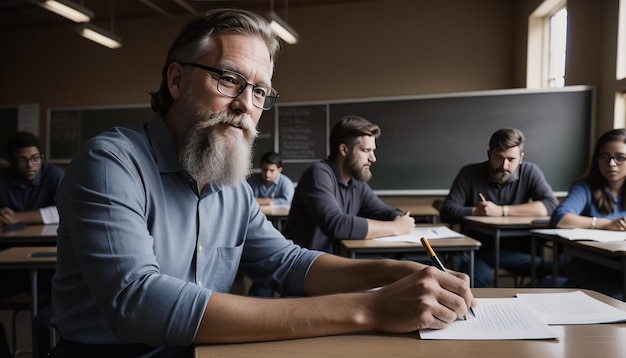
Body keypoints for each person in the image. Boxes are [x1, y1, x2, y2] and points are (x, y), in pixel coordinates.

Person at [49, 9, 474, 358]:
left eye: (259, 92)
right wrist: (369, 308)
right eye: (229, 79)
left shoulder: (231, 184)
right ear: (176, 81)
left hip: (203, 350)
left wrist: (393, 272)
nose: (244, 105)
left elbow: (288, 264)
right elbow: (137, 304)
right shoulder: (111, 161)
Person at [439, 128, 558, 287]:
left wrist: (502, 210)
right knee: (478, 278)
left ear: (521, 158)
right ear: (489, 154)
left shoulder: (530, 172)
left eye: (511, 159)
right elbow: (447, 210)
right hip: (479, 250)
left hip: (520, 251)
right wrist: (476, 211)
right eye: (499, 157)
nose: (504, 165)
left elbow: (550, 205)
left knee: (560, 268)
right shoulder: (470, 173)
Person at [282, 115, 416, 254]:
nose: (373, 158)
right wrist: (395, 227)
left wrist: (398, 218)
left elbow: (383, 212)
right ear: (344, 150)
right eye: (366, 151)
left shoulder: (355, 182)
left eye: (373, 151)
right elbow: (337, 225)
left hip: (329, 263)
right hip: (301, 266)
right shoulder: (318, 174)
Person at [550, 128, 626, 300]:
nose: (612, 163)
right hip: (590, 266)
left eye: (620, 157)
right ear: (597, 159)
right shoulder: (585, 187)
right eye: (605, 157)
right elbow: (560, 218)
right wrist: (607, 224)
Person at [0, 131, 64, 227]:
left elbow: (66, 211)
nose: (30, 165)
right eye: (22, 160)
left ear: (42, 159)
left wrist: (16, 217)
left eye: (35, 158)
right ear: (10, 161)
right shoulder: (2, 177)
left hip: (45, 238)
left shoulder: (54, 175)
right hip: (9, 238)